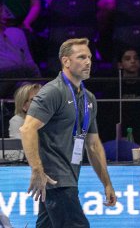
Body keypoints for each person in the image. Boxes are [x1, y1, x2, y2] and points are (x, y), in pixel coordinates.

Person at [20, 39, 117, 226]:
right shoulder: (52, 92)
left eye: (89, 57)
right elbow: (27, 129)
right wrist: (37, 170)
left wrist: (107, 183)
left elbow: (93, 145)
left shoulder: (89, 99)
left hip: (70, 176)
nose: (88, 62)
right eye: (81, 57)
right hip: (55, 178)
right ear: (66, 61)